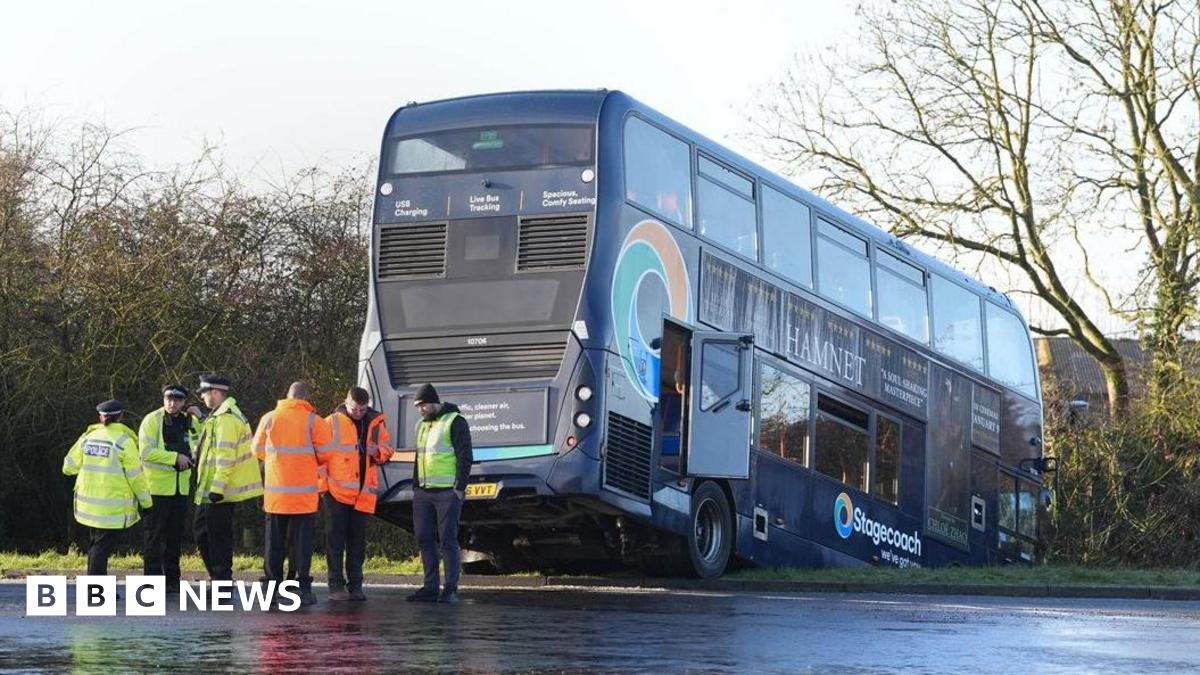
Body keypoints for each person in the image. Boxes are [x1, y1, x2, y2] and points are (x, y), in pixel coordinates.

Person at [253, 381, 333, 605]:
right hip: (304, 496)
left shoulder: (269, 418)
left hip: (276, 495)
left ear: (287, 396)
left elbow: (257, 450)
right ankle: (301, 588)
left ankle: (271, 589)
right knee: (301, 544)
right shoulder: (314, 421)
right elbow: (327, 454)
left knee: (274, 544)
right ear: (306, 399)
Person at [62, 399, 152, 576]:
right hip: (112, 507)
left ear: (100, 417)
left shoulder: (88, 437)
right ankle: (96, 591)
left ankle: (97, 588)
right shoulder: (124, 441)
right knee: (101, 548)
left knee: (96, 545)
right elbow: (136, 477)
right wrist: (147, 502)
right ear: (121, 416)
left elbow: (68, 467)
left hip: (88, 506)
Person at [323, 386, 395, 601]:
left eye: (362, 410)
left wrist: (379, 452)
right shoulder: (331, 422)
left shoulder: (376, 423)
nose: (358, 413)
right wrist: (322, 488)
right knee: (335, 542)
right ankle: (336, 586)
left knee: (357, 543)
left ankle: (356, 586)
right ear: (346, 402)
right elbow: (319, 457)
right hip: (335, 492)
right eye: (355, 409)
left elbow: (388, 449)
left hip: (363, 493)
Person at [406, 383, 473, 604]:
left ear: (433, 401)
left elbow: (465, 456)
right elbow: (420, 457)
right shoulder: (422, 425)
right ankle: (430, 587)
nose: (420, 410)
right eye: (417, 406)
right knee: (424, 538)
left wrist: (459, 488)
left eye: (422, 405)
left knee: (447, 541)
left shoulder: (455, 421)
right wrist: (416, 486)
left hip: (447, 493)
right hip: (424, 493)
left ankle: (450, 589)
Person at [193, 374, 262, 581]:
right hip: (212, 489)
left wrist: (217, 488)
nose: (203, 397)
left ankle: (222, 582)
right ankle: (219, 578)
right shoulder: (218, 416)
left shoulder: (226, 419)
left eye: (205, 393)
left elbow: (225, 457)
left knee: (217, 539)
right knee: (203, 534)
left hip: (221, 491)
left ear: (215, 393)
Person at [137, 384, 199, 593]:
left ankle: (172, 580)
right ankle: (152, 581)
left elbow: (200, 444)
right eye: (168, 399)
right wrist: (175, 458)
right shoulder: (152, 420)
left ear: (183, 402)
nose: (172, 403)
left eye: (177, 400)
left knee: (175, 537)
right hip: (156, 488)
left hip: (180, 489)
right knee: (153, 536)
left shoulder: (187, 421)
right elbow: (145, 452)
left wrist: (199, 418)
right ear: (163, 399)